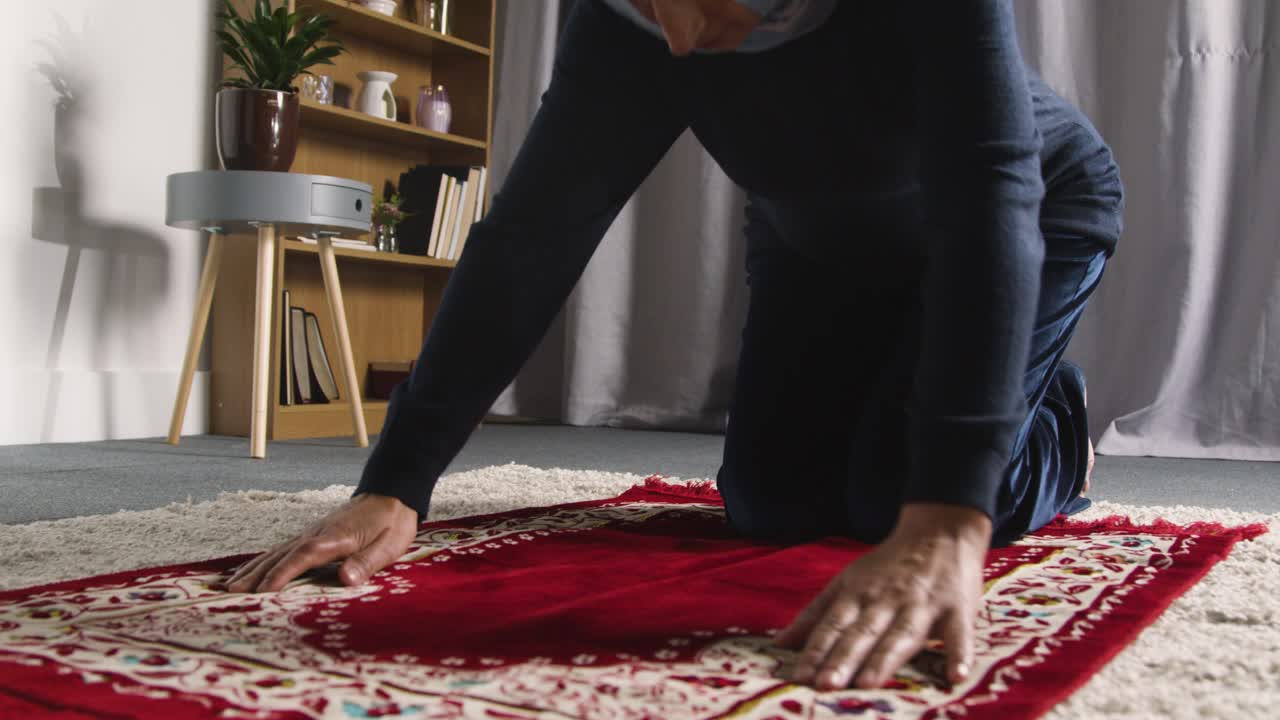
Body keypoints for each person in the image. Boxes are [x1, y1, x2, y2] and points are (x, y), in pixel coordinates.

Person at [223, 0, 1123, 694]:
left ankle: (1056, 426)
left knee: (902, 490)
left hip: (1029, 211)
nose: (682, 38)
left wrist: (949, 515)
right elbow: (533, 237)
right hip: (819, 243)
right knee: (770, 504)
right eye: (655, 4)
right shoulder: (626, 19)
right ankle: (943, 391)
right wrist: (397, 480)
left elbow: (989, 194)